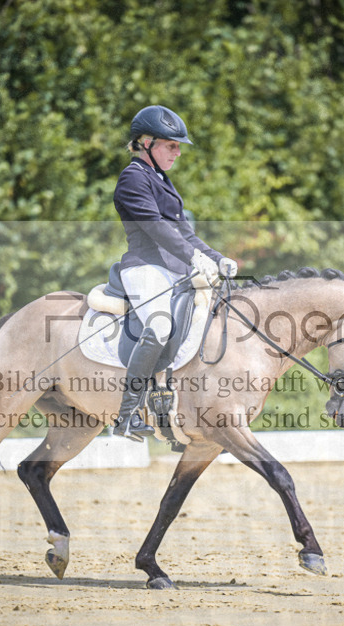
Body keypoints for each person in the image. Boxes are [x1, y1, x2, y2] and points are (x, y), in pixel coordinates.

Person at [111, 104, 238, 440]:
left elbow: (185, 233)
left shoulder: (162, 180)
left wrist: (217, 258)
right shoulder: (133, 178)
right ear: (146, 143)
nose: (178, 152)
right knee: (160, 326)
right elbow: (156, 228)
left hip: (173, 270)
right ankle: (127, 414)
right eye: (171, 145)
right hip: (145, 267)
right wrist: (194, 257)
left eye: (178, 146)